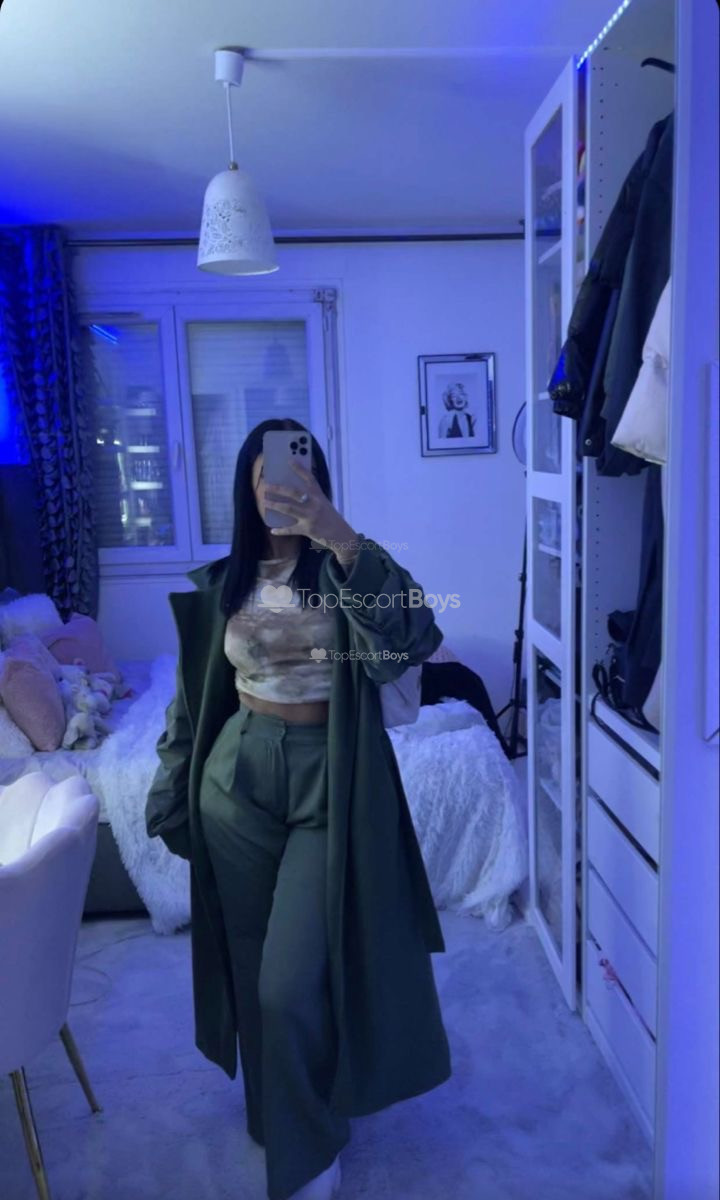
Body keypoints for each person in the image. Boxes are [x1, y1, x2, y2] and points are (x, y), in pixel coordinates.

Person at [145, 418, 452, 1200]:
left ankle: (307, 1151)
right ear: (248, 488)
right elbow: (190, 702)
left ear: (318, 479)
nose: (284, 485)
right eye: (269, 475)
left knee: (290, 979)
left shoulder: (347, 565)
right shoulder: (223, 583)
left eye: (300, 471)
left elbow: (413, 636)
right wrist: (171, 787)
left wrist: (337, 533)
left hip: (330, 776)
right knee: (252, 970)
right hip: (236, 780)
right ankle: (277, 1113)